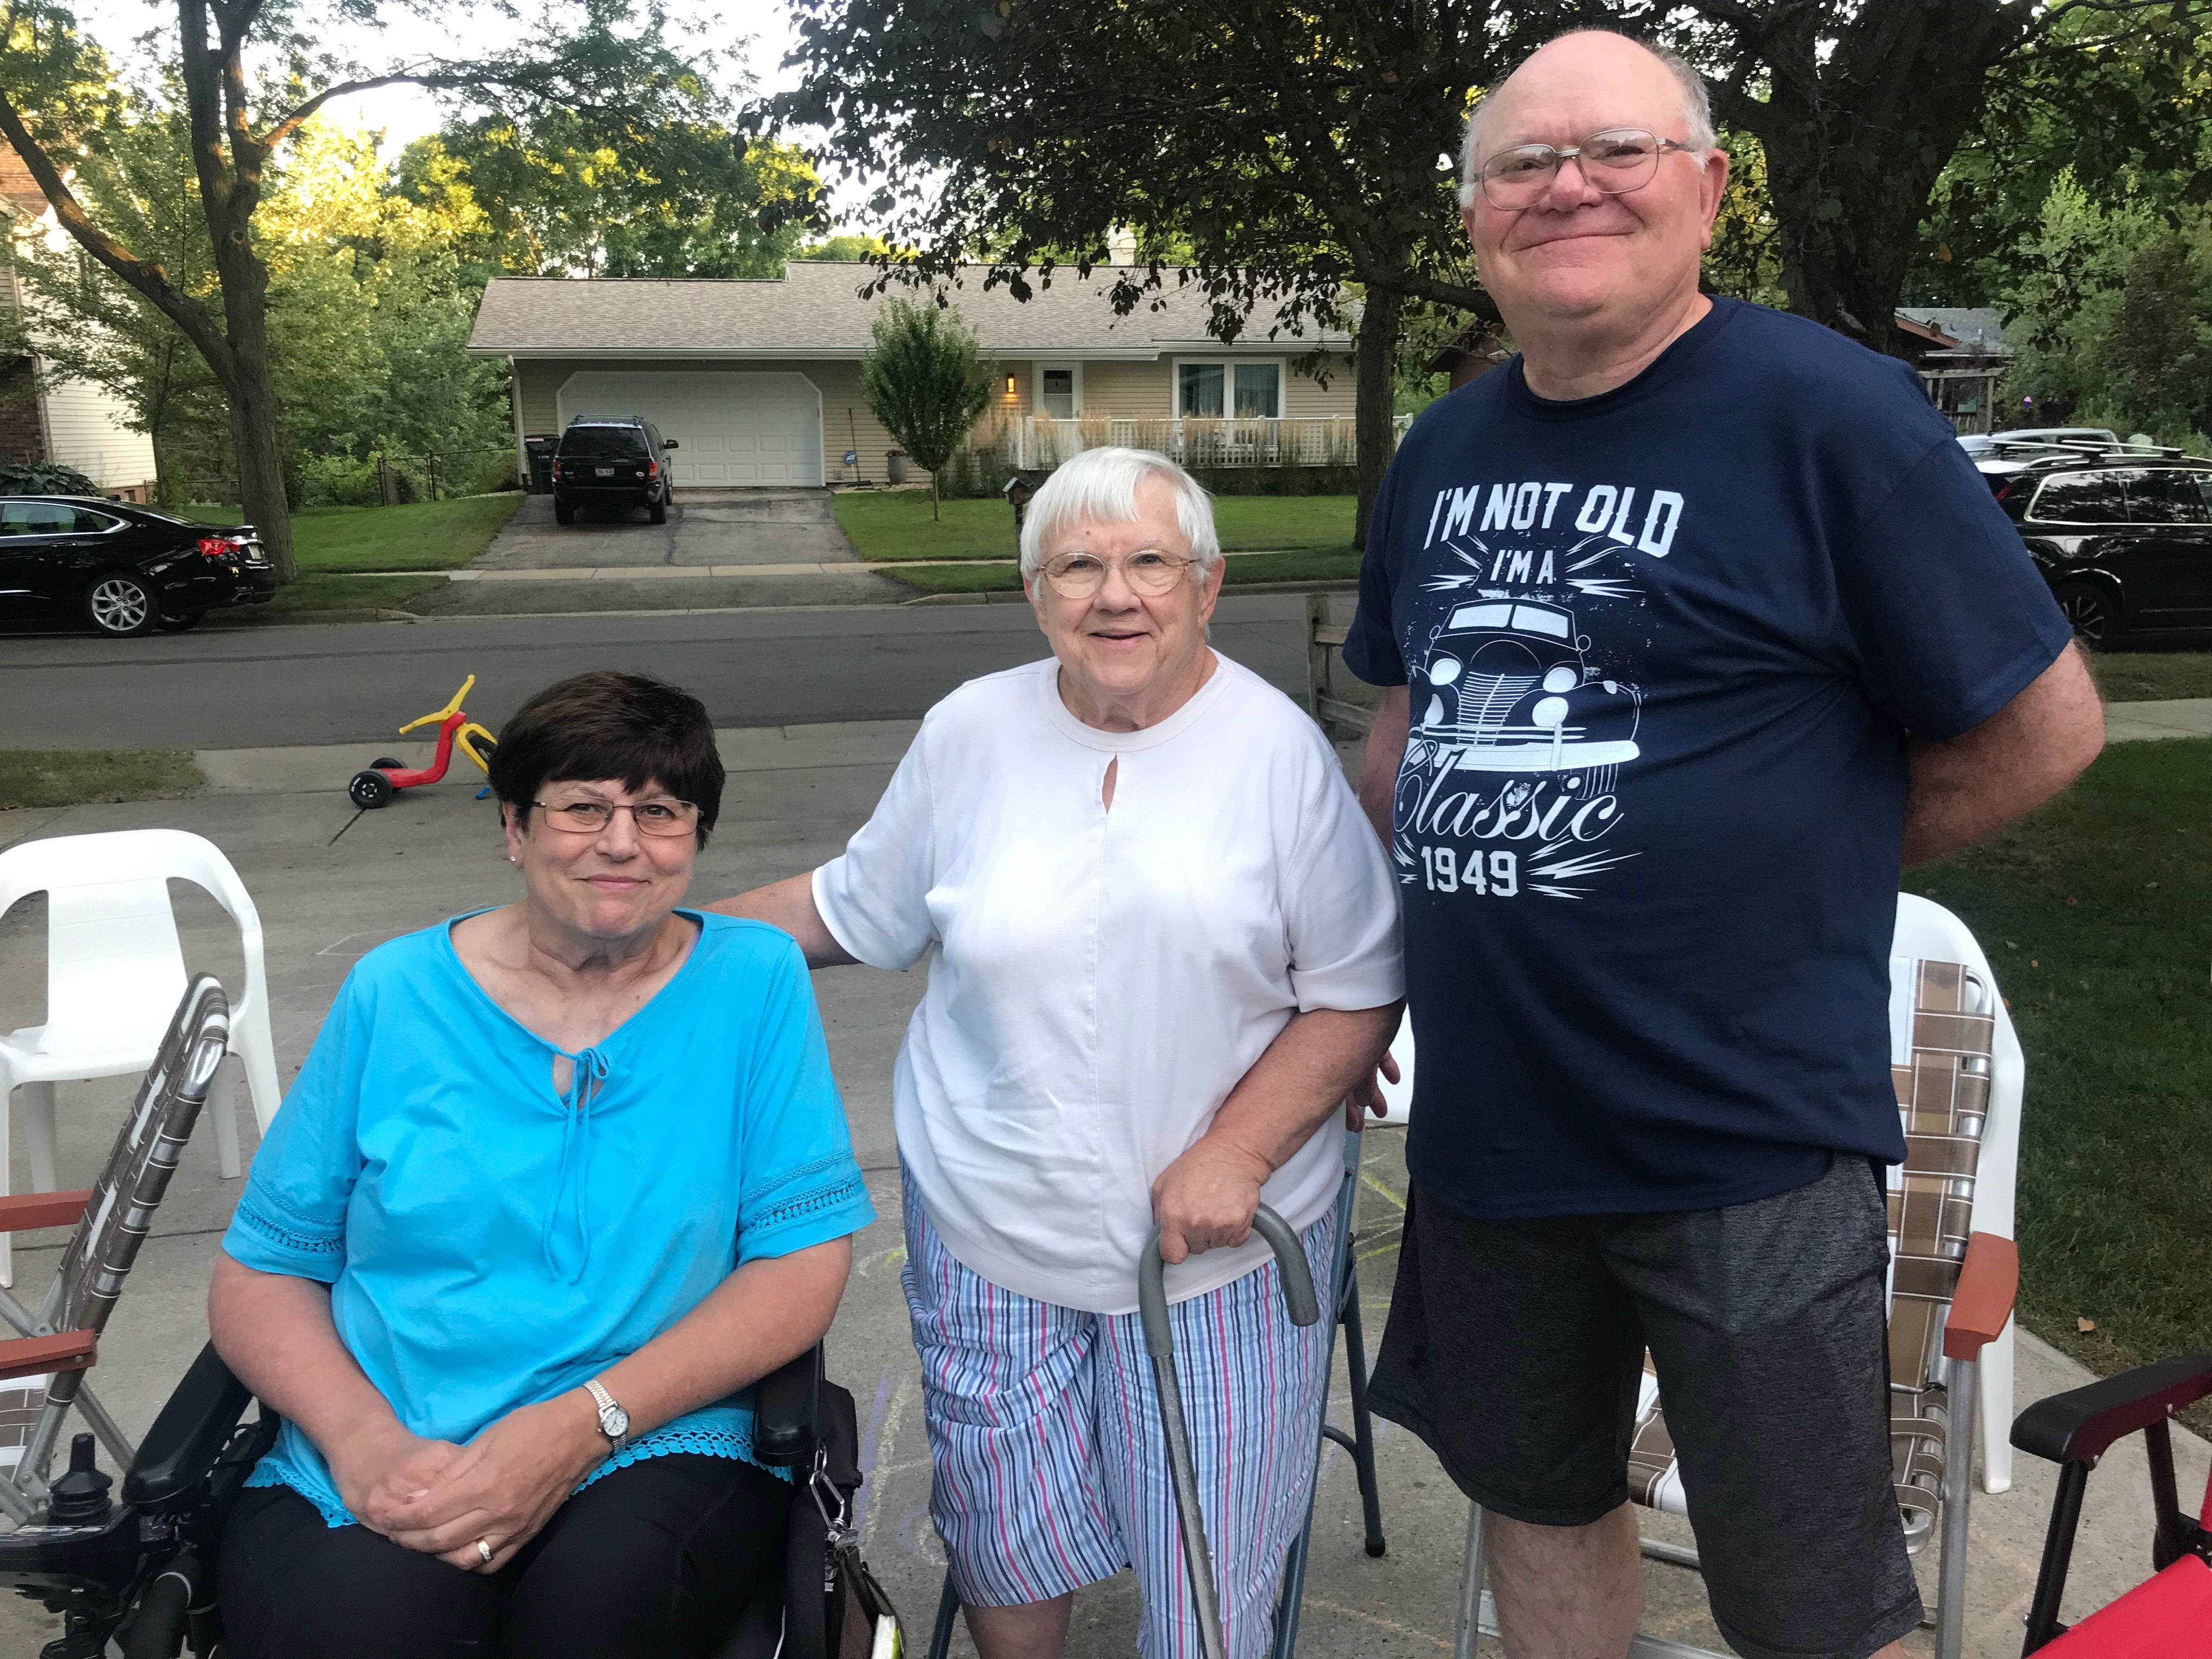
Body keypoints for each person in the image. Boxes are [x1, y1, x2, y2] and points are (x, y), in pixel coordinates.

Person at [1344, 31, 2106, 1659]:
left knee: (1814, 1589)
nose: (1565, 189)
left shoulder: (1832, 417)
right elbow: (1407, 729)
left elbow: (2048, 728)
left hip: (1738, 1138)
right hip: (1492, 1130)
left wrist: (1816, 855)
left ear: (1705, 184)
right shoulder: (1443, 450)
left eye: (1612, 150)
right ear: (1475, 217)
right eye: (1520, 166)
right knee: (1539, 1500)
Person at [716, 445, 1403, 1659]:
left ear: (1208, 584)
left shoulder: (1275, 751)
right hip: (989, 1222)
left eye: (1149, 562)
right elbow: (850, 907)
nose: (1115, 594)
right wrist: (656, 939)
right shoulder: (970, 731)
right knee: (1004, 1524)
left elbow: (1355, 995)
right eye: (1077, 565)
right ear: (1037, 595)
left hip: (1215, 1246)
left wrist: (1240, 1150)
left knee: (1209, 1563)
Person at [209, 670, 876, 1659]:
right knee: (365, 1629)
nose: (621, 841)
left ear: (695, 838)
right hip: (398, 1437)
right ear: (514, 828)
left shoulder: (752, 981)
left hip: (653, 1433)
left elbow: (799, 1263)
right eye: (581, 806)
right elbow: (267, 1264)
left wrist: (581, 1426)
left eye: (660, 811)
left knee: (598, 1615)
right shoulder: (393, 992)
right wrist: (363, 1443)